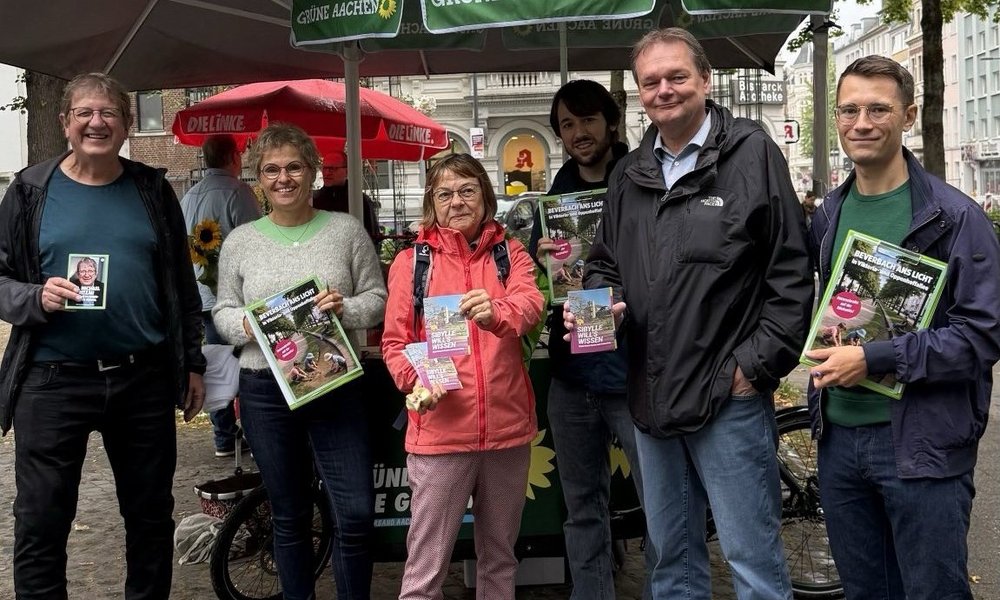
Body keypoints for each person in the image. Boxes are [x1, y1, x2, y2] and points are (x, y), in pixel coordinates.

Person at [573, 28, 813, 599]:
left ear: (704, 80)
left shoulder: (751, 152)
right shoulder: (629, 174)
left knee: (752, 564)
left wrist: (754, 367)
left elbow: (790, 272)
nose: (664, 90)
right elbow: (603, 263)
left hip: (725, 396)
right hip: (651, 396)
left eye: (677, 76)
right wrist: (598, 312)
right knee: (672, 566)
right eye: (650, 81)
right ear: (638, 93)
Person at [0, 72, 206, 600]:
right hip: (51, 381)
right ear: (65, 122)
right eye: (86, 113)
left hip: (142, 380)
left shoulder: (152, 188)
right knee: (41, 523)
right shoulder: (28, 190)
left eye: (109, 112)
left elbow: (181, 285)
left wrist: (194, 364)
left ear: (126, 123)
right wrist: (32, 297)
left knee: (149, 519)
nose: (97, 122)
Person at [804, 55, 1000, 600]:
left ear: (909, 115)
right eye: (849, 110)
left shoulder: (957, 217)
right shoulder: (829, 214)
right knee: (866, 592)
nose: (861, 122)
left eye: (878, 109)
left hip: (922, 446)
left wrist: (876, 358)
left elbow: (983, 336)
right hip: (840, 440)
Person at [213, 123, 386, 600]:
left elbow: (378, 298)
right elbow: (221, 311)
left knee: (354, 513)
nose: (283, 177)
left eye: (294, 167)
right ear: (258, 178)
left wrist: (344, 308)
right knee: (287, 515)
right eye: (271, 169)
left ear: (312, 172)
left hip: (334, 382)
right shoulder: (240, 242)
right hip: (265, 387)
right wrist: (247, 325)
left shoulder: (346, 231)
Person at [381, 153, 543, 600]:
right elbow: (395, 343)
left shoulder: (511, 254)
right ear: (432, 202)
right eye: (445, 193)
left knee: (500, 560)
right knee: (426, 569)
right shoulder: (412, 263)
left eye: (467, 190)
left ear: (485, 197)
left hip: (507, 434)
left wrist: (498, 313)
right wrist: (417, 383)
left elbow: (531, 305)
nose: (457, 201)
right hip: (441, 436)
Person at [527, 78, 653, 600]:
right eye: (567, 125)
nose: (579, 133)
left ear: (611, 122)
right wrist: (542, 265)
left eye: (587, 121)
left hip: (634, 373)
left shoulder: (644, 181)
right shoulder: (553, 198)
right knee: (582, 509)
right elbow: (544, 285)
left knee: (660, 505)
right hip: (572, 373)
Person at [180, 133, 261, 457]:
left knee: (215, 362)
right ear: (233, 158)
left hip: (197, 292)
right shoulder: (238, 192)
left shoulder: (189, 195)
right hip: (229, 296)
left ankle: (223, 435)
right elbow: (256, 242)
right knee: (248, 365)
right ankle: (251, 436)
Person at [312, 151, 380, 244]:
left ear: (347, 171)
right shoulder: (314, 200)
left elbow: (372, 236)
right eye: (324, 168)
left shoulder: (359, 200)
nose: (327, 173)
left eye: (332, 169)